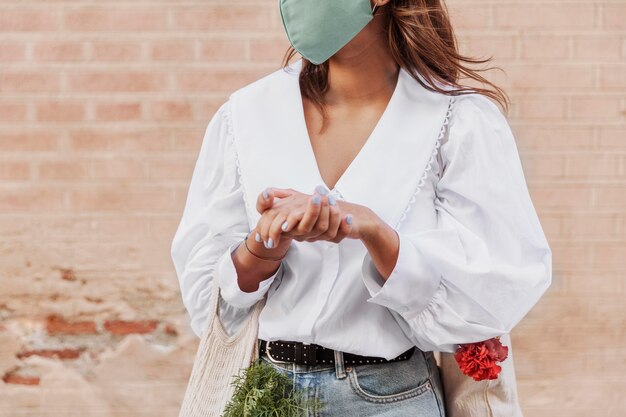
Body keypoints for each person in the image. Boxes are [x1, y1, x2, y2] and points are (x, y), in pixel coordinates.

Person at [170, 0, 553, 415]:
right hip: (267, 392)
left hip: (391, 398)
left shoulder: (459, 122)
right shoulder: (246, 116)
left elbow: (491, 293)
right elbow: (208, 301)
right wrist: (263, 248)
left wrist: (376, 233)